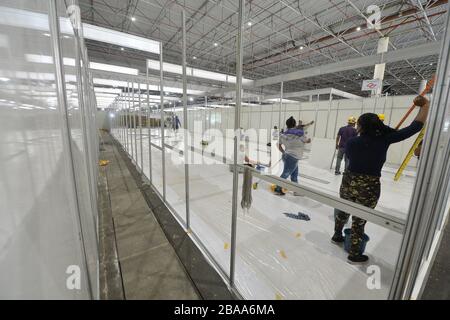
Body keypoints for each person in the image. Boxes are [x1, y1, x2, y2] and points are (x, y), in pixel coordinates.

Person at [332, 96, 430, 264]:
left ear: (360, 126)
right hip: (369, 185)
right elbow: (415, 127)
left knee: (343, 210)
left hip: (349, 181)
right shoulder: (385, 139)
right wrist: (425, 106)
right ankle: (354, 253)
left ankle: (337, 235)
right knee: (360, 218)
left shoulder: (352, 142)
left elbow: (350, 156)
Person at [274, 116, 311, 196]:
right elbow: (307, 141)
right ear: (295, 124)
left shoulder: (283, 134)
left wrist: (283, 152)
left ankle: (296, 191)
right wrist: (309, 139)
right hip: (293, 157)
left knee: (294, 174)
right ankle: (278, 189)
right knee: (285, 174)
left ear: (287, 125)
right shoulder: (299, 133)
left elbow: (278, 145)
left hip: (287, 155)